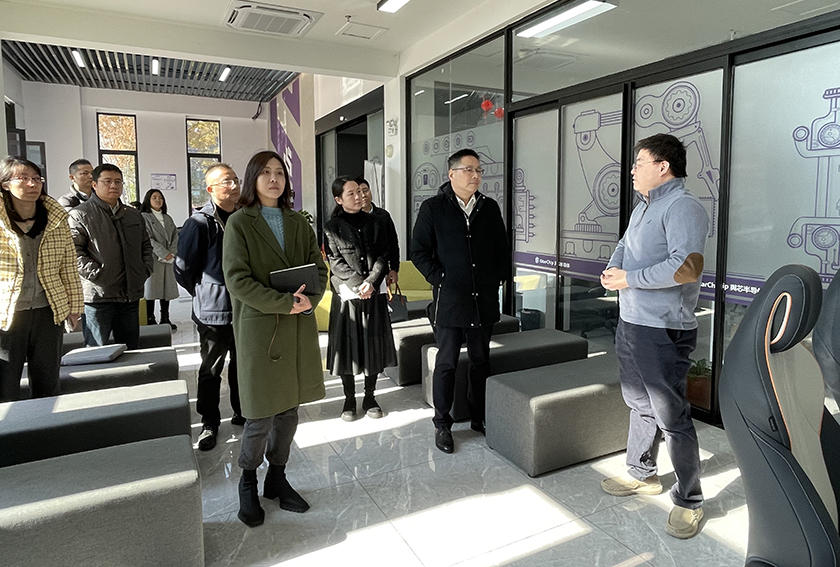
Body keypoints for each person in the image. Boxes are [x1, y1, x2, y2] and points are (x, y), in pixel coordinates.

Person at [600, 133, 710, 540]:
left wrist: (629, 278)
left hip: (663, 328)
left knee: (671, 415)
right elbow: (623, 245)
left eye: (639, 163)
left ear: (663, 166)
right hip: (631, 321)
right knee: (639, 403)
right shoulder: (643, 206)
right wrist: (614, 270)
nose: (632, 170)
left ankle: (690, 500)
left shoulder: (684, 207)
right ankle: (642, 473)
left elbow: (687, 268)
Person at [222, 150, 327, 528]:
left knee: (288, 413)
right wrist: (284, 303)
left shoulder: (298, 221)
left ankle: (277, 477)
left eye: (280, 172)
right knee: (260, 415)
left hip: (296, 328)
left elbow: (318, 269)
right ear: (253, 179)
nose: (273, 178)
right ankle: (248, 481)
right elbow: (237, 280)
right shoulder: (239, 223)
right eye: (265, 172)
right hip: (261, 328)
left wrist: (311, 298)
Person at [410, 149, 510, 454]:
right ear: (451, 174)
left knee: (481, 361)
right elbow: (418, 252)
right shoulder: (433, 208)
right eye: (469, 170)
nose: (475, 175)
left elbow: (502, 249)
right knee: (447, 363)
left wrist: (497, 278)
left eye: (478, 170)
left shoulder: (489, 207)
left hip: (483, 300)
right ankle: (442, 423)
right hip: (450, 301)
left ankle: (479, 416)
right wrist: (441, 278)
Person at [0, 157, 83, 402]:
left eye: (36, 178)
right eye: (23, 178)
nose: (32, 184)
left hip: (48, 311)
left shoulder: (56, 217)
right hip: (7, 313)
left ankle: (46, 425)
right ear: (5, 184)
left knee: (47, 384)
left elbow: (68, 264)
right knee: (5, 385)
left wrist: (75, 306)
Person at [175, 163, 244, 451]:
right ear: (210, 189)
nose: (234, 185)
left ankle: (242, 411)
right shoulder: (199, 223)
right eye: (227, 181)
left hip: (244, 307)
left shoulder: (244, 217)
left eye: (236, 180)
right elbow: (183, 268)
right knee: (211, 367)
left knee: (242, 364)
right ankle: (209, 422)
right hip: (213, 310)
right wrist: (203, 292)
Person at [324, 177, 397, 421]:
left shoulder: (376, 221)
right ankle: (348, 399)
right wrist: (359, 284)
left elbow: (383, 254)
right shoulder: (331, 227)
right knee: (347, 347)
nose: (359, 196)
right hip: (347, 295)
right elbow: (335, 262)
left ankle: (370, 396)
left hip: (373, 293)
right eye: (351, 193)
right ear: (339, 199)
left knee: (372, 345)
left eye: (360, 191)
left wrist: (372, 282)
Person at [69, 164, 154, 350]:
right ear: (94, 185)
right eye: (107, 181)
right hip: (99, 297)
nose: (113, 185)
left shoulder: (133, 215)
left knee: (131, 350)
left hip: (129, 294)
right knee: (96, 351)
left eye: (118, 182)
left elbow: (146, 246)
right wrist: (98, 274)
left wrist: (144, 270)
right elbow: (73, 252)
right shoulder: (80, 214)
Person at [140, 189, 179, 330]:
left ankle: (165, 317)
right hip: (153, 258)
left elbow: (175, 236)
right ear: (148, 200)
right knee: (151, 289)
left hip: (168, 259)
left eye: (160, 198)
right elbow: (147, 238)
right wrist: (163, 253)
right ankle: (150, 317)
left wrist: (171, 253)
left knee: (166, 289)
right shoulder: (144, 217)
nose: (158, 200)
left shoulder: (167, 217)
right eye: (154, 197)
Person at [356, 176, 399, 285]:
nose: (363, 195)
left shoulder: (383, 216)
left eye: (365, 190)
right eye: (359, 192)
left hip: (381, 271)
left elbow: (393, 244)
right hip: (358, 274)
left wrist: (394, 268)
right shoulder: (351, 219)